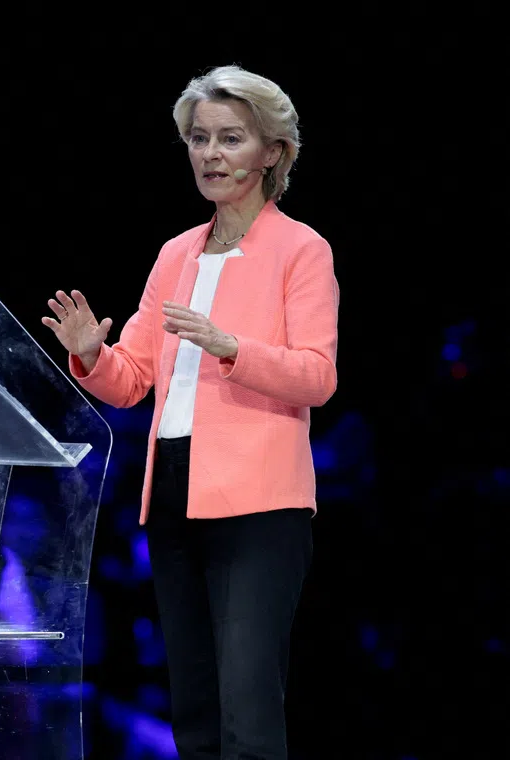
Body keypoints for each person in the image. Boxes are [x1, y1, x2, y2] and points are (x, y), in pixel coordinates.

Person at [43, 65, 338, 759]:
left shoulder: (301, 249)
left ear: (273, 153)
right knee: (195, 709)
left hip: (260, 502)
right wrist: (92, 354)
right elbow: (134, 379)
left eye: (230, 139)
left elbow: (318, 377)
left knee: (246, 709)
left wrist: (233, 347)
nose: (210, 154)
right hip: (174, 490)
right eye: (199, 138)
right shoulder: (175, 253)